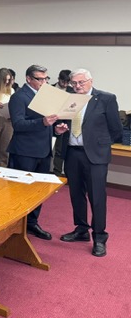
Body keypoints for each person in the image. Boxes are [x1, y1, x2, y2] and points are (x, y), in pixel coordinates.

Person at [58, 69, 122, 257]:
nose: (77, 86)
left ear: (90, 81)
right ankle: (81, 230)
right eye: (74, 83)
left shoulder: (106, 98)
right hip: (72, 153)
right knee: (76, 194)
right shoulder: (68, 99)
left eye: (81, 82)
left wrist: (100, 144)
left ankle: (100, 237)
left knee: (97, 196)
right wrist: (58, 129)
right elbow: (61, 124)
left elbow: (116, 129)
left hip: (95, 156)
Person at [7, 64, 68, 241]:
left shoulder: (45, 96)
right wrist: (42, 122)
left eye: (46, 79)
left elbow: (46, 123)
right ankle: (15, 225)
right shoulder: (19, 97)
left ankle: (32, 223)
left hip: (44, 149)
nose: (44, 82)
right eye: (40, 79)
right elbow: (18, 124)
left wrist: (56, 130)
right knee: (21, 191)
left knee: (38, 191)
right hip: (25, 151)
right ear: (28, 79)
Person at [52, 69, 74, 175]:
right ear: (58, 79)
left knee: (60, 149)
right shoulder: (50, 89)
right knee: (46, 148)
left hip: (65, 122)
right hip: (50, 121)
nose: (65, 84)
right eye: (63, 81)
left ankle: (58, 172)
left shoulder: (72, 91)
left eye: (67, 82)